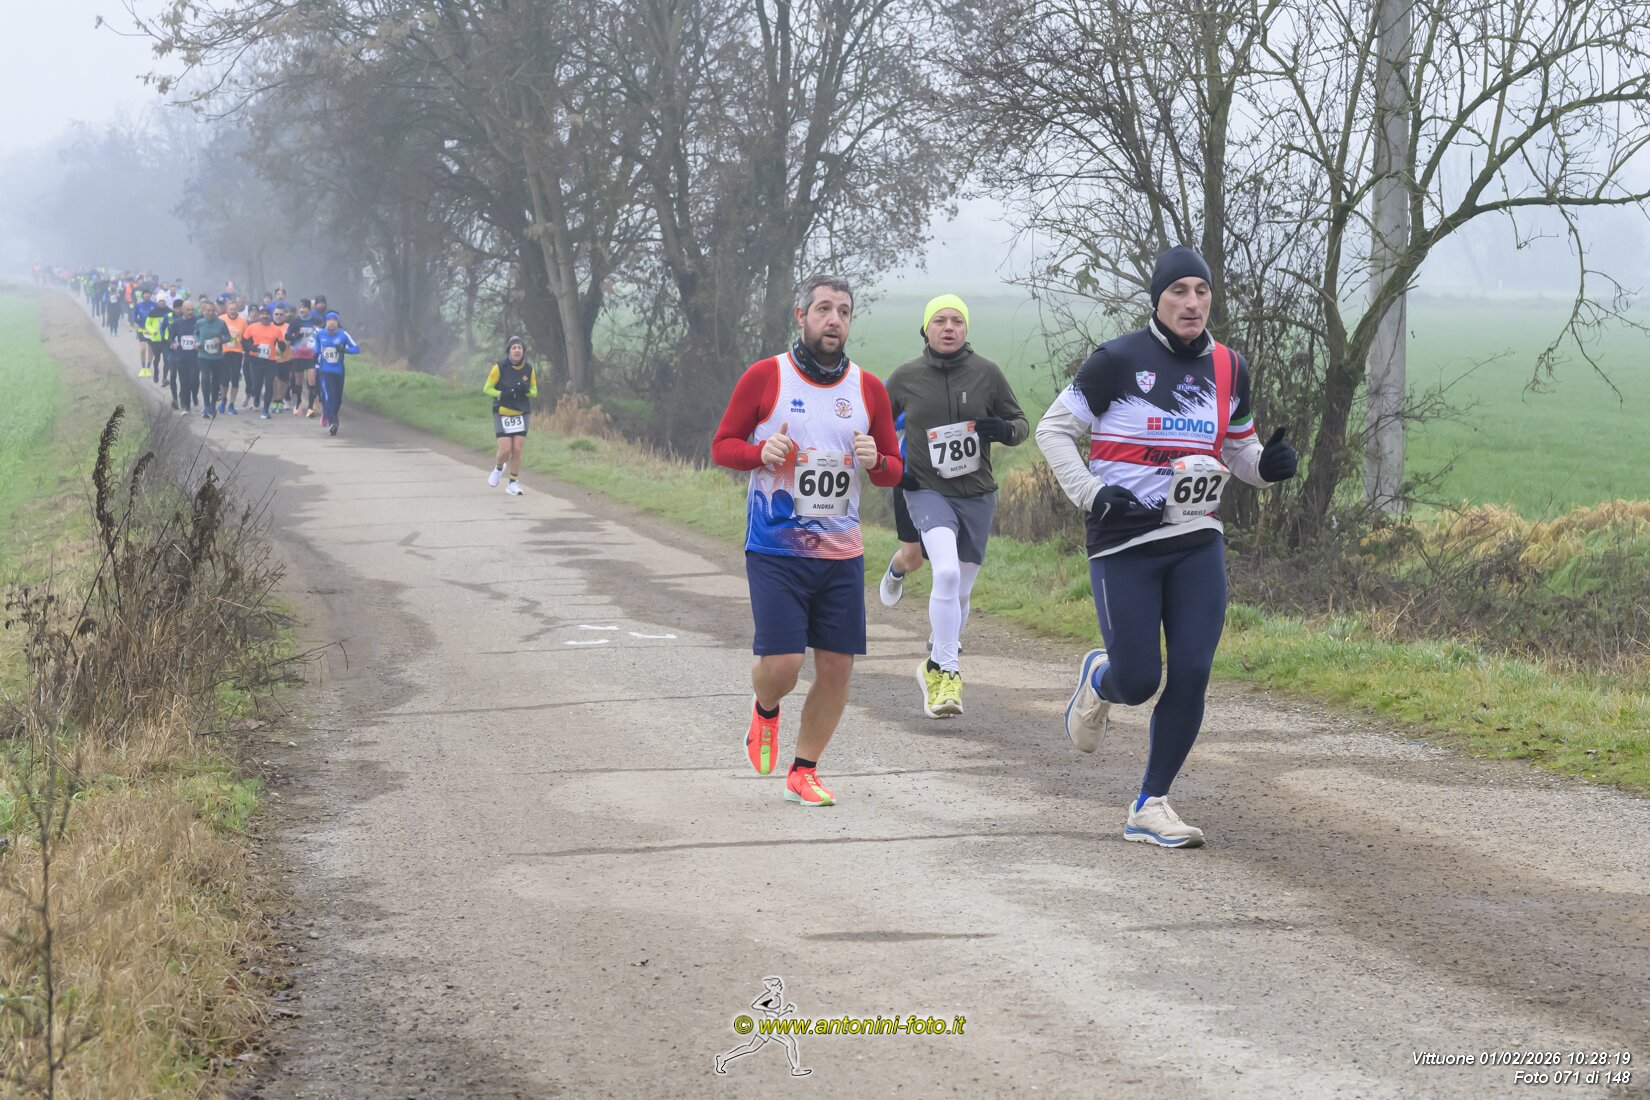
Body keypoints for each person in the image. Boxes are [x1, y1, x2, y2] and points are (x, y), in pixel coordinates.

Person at [1035, 246, 1298, 849]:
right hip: (1124, 541)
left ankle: (1150, 803)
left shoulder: (1229, 366)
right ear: (1157, 299)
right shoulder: (1118, 360)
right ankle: (1101, 679)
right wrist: (1092, 492)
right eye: (1179, 291)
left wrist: (1268, 467)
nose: (1192, 302)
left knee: (1194, 670)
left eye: (1201, 291)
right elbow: (1053, 430)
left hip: (1196, 535)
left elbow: (1239, 450)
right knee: (1137, 679)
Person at [710, 275, 903, 806]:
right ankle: (766, 708)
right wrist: (759, 454)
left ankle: (804, 770)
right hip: (776, 550)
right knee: (783, 667)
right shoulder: (766, 376)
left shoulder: (868, 389)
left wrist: (877, 461)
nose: (833, 320)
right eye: (823, 309)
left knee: (837, 668)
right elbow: (722, 445)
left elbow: (893, 469)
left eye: (843, 311)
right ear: (801, 316)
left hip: (842, 555)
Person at [883, 294, 1028, 719]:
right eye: (940, 321)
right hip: (926, 490)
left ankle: (932, 665)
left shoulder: (987, 373)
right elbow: (874, 427)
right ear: (925, 328)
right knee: (944, 572)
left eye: (957, 321)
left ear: (966, 328)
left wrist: (1004, 430)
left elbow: (1020, 423)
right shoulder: (906, 377)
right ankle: (948, 672)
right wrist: (895, 469)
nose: (949, 328)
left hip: (977, 493)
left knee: (960, 592)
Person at [483, 336, 537, 493]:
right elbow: (487, 388)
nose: (517, 350)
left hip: (521, 412)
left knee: (517, 449)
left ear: (523, 352)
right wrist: (501, 394)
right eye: (514, 348)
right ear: (509, 351)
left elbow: (534, 391)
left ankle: (513, 483)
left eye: (520, 348)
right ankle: (499, 467)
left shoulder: (529, 369)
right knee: (505, 450)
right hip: (503, 412)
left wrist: (525, 391)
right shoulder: (499, 368)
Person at [313, 311, 360, 436]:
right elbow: (316, 350)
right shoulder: (320, 334)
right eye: (329, 320)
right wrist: (314, 362)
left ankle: (330, 414)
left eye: (334, 320)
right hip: (324, 371)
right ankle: (333, 422)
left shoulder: (343, 335)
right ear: (326, 322)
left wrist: (344, 350)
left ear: (337, 322)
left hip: (338, 371)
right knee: (329, 396)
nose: (331, 323)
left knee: (338, 399)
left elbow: (356, 349)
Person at [241, 306, 287, 420]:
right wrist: (253, 348)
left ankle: (266, 410)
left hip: (270, 361)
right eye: (263, 314)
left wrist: (282, 347)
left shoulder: (276, 330)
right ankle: (256, 397)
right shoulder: (252, 327)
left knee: (269, 384)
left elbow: (282, 344)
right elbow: (244, 341)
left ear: (270, 316)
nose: (265, 316)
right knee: (256, 384)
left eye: (267, 314)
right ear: (259, 316)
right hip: (255, 360)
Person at [195, 299, 231, 418]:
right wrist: (197, 341)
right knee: (205, 379)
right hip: (203, 355)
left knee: (215, 381)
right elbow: (195, 333)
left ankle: (212, 404)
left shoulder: (221, 323)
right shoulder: (200, 322)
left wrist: (220, 340)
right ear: (204, 311)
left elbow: (228, 337)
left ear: (215, 311)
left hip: (217, 356)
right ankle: (206, 405)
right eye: (208, 311)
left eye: (212, 311)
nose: (210, 313)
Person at [168, 299, 200, 415]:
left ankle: (194, 394)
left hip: (195, 356)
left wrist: (199, 343)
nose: (190, 312)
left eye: (192, 309)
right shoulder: (177, 323)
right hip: (181, 357)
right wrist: (173, 344)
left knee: (194, 380)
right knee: (184, 382)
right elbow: (170, 338)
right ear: (182, 310)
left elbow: (202, 335)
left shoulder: (198, 322)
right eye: (188, 310)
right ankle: (187, 406)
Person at [219, 299, 248, 414]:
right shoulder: (221, 319)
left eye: (234, 309)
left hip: (237, 353)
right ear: (227, 309)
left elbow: (246, 337)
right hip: (224, 353)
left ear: (237, 310)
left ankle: (232, 404)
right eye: (230, 309)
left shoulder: (242, 321)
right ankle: (223, 400)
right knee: (224, 379)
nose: (232, 311)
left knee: (235, 379)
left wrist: (246, 350)